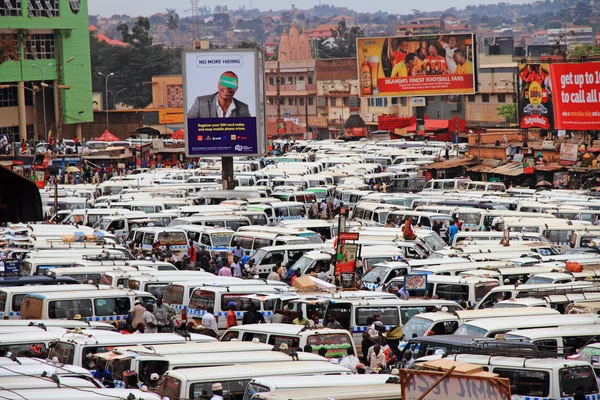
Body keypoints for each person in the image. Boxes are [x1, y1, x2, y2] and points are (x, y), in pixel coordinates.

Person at [187, 71, 251, 118]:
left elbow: (250, 130)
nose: (227, 87)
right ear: (218, 85)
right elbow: (188, 126)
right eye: (224, 83)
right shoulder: (200, 103)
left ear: (236, 88)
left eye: (231, 84)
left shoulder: (243, 109)